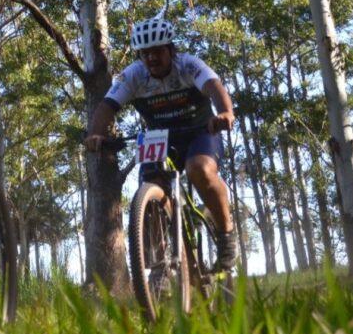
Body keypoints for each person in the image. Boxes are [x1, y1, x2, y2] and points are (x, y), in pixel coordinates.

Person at [84, 16, 240, 271]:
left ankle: (226, 236)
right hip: (160, 138)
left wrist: (225, 113)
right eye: (145, 54)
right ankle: (159, 264)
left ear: (170, 49)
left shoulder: (188, 65)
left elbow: (214, 87)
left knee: (199, 170)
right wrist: (95, 134)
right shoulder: (134, 75)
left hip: (199, 132)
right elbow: (106, 106)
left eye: (157, 52)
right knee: (151, 186)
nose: (151, 59)